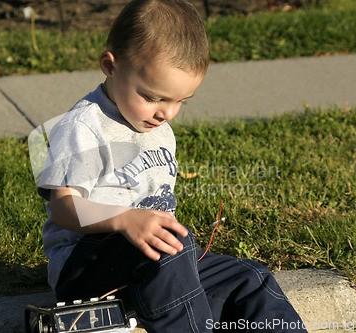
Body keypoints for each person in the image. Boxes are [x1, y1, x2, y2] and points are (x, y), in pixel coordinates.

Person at [34, 0, 308, 332]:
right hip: (87, 270)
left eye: (180, 101)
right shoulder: (85, 127)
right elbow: (64, 208)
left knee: (248, 278)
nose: (167, 113)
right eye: (152, 97)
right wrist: (124, 220)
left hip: (155, 267)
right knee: (174, 250)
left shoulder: (156, 125)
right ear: (110, 66)